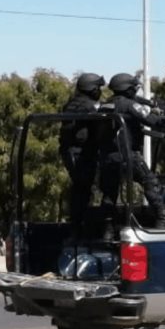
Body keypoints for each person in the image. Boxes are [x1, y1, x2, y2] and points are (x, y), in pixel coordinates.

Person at [99, 73, 165, 232]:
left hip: (108, 157)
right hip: (128, 155)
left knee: (109, 193)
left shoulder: (105, 105)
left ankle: (108, 229)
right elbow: (152, 121)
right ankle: (163, 218)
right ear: (128, 89)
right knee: (150, 182)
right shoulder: (129, 105)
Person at [58, 72, 106, 237]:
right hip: (78, 153)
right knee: (83, 189)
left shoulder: (76, 103)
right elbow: (101, 110)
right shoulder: (84, 105)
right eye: (98, 88)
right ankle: (78, 227)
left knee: (84, 189)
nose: (100, 91)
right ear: (91, 88)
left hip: (79, 152)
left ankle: (79, 225)